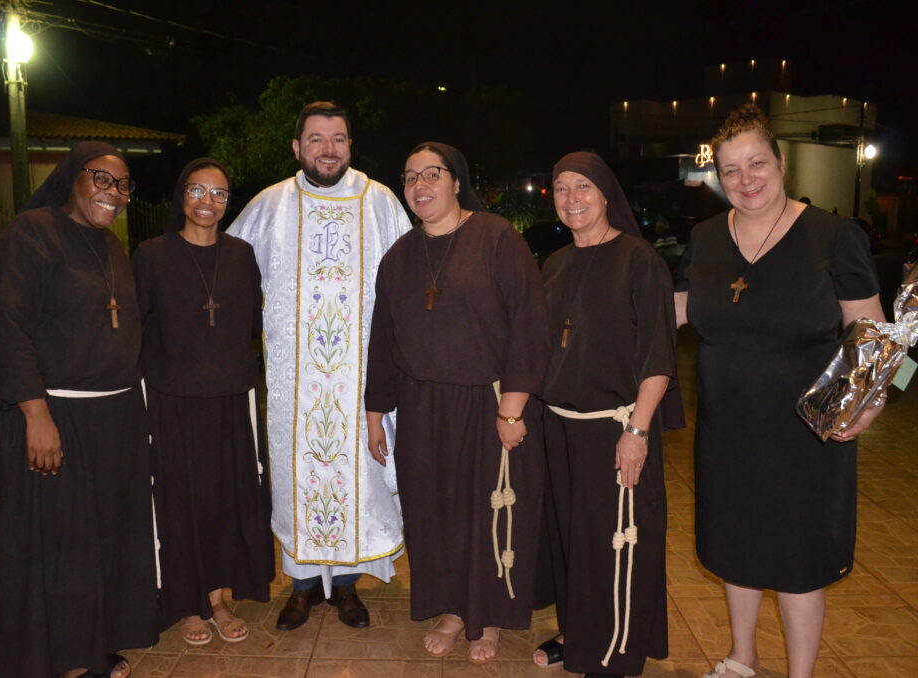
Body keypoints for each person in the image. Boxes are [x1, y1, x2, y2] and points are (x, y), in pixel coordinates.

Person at [674, 105, 885, 678]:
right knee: (735, 551)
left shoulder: (832, 235)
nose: (746, 180)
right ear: (718, 175)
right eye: (731, 170)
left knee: (796, 561)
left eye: (756, 163)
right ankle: (742, 658)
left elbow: (879, 339)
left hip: (806, 434)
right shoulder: (706, 238)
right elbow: (676, 311)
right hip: (727, 429)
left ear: (781, 163)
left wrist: (874, 402)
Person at [0, 142, 157, 678]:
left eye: (123, 184)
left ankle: (89, 646)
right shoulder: (31, 234)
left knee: (99, 544)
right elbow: (5, 330)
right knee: (59, 550)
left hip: (112, 421)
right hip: (55, 418)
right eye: (101, 179)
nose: (114, 193)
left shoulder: (109, 247)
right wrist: (36, 415)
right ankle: (59, 661)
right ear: (71, 179)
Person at [226, 101, 411, 630]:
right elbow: (226, 275)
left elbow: (408, 281)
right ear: (297, 147)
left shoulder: (379, 201)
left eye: (338, 139)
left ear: (351, 145)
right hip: (292, 384)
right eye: (316, 139)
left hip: (360, 381)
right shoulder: (270, 205)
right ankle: (303, 586)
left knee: (358, 479)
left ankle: (348, 586)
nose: (327, 150)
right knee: (295, 481)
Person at [365, 142, 551, 663]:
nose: (420, 186)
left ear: (455, 180)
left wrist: (512, 408)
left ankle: (486, 615)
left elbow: (528, 325)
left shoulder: (495, 238)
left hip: (488, 402)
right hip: (421, 406)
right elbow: (383, 338)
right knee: (434, 512)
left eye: (432, 174)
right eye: (410, 178)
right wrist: (375, 412)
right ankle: (452, 609)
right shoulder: (399, 256)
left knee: (485, 511)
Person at [532, 152, 680, 677]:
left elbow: (659, 357)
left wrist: (638, 431)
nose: (571, 199)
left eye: (583, 188)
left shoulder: (640, 261)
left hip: (617, 427)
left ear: (605, 194)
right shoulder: (555, 264)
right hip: (559, 429)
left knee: (616, 543)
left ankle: (615, 644)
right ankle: (577, 633)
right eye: (561, 188)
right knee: (571, 540)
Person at [132, 158, 273, 647]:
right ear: (181, 196)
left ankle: (216, 599)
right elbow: (137, 333)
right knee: (180, 503)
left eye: (218, 194)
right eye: (197, 190)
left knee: (221, 504)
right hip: (173, 401)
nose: (207, 202)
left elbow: (253, 327)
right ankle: (186, 604)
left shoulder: (241, 255)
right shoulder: (151, 256)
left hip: (231, 401)